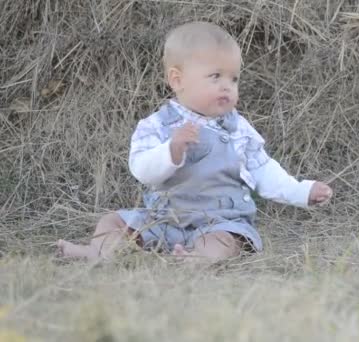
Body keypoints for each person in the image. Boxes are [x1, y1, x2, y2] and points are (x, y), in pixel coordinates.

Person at [56, 21, 333, 263]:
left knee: (226, 241)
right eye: (215, 76)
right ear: (177, 80)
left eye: (233, 78)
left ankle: (197, 259)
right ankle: (101, 251)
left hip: (218, 221)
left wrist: (301, 191)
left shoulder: (239, 129)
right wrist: (171, 151)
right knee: (114, 221)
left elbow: (263, 170)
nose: (227, 86)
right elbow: (140, 169)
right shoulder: (156, 126)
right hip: (163, 220)